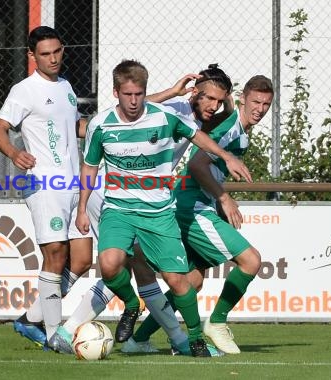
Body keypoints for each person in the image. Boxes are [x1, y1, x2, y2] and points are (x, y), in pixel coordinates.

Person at [50, 66, 235, 356]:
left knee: (148, 273)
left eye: (219, 101)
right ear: (194, 94)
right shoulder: (172, 108)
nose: (214, 106)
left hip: (151, 204)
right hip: (111, 198)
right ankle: (71, 328)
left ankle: (161, 334)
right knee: (118, 265)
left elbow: (153, 107)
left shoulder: (176, 115)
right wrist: (174, 92)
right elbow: (139, 104)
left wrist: (224, 148)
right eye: (209, 98)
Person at [132, 75, 274, 354]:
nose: (260, 108)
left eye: (266, 103)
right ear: (244, 98)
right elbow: (198, 165)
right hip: (193, 207)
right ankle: (217, 322)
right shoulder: (231, 127)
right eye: (255, 101)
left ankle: (139, 340)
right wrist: (224, 197)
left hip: (192, 205)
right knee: (251, 260)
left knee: (191, 282)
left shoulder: (240, 126)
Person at [0, 26, 93, 348]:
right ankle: (52, 334)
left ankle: (29, 319)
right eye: (45, 54)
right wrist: (15, 153)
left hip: (74, 183)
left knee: (82, 259)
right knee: (56, 255)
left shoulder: (66, 86)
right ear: (32, 56)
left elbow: (73, 126)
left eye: (57, 51)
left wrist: (101, 128)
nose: (53, 59)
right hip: (44, 184)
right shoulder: (25, 90)